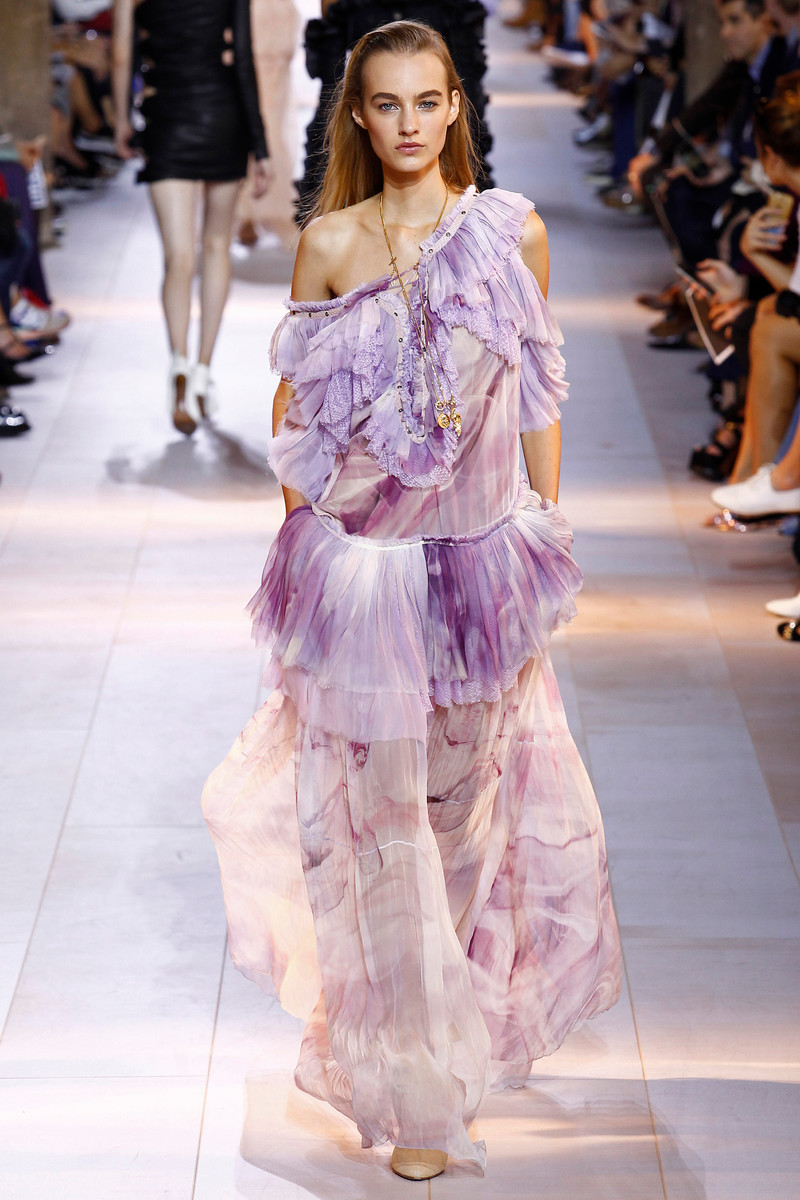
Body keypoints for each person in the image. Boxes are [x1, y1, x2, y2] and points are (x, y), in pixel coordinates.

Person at [203, 20, 621, 1181]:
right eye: (385, 104)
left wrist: (541, 528)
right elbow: (297, 415)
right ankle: (417, 1090)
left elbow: (534, 388)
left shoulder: (508, 231)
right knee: (377, 829)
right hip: (367, 576)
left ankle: (428, 1033)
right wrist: (307, 547)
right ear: (357, 114)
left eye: (426, 102)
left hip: (481, 572)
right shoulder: (329, 243)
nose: (407, 124)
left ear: (453, 110)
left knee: (461, 821)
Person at [112, 0, 273, 435]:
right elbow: (243, 58)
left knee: (178, 258)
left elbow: (122, 54)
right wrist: (260, 146)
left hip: (166, 120)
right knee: (216, 247)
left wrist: (121, 121)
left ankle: (178, 364)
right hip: (223, 117)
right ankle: (203, 370)